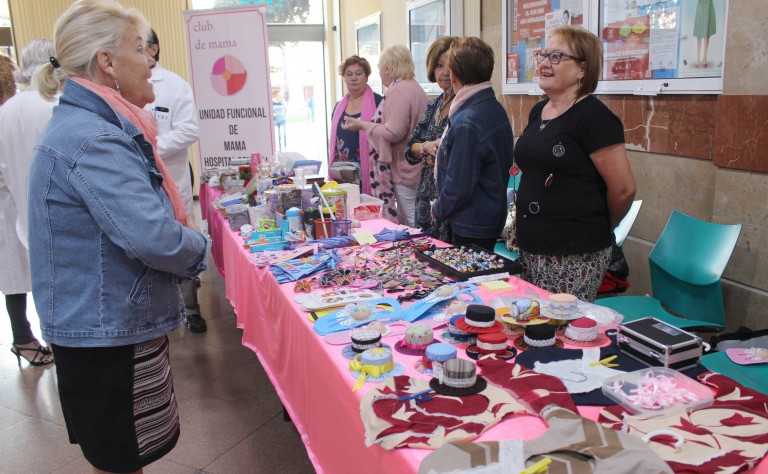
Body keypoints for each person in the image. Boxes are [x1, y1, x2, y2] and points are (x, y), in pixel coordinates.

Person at [27, 1, 209, 472]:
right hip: (106, 333)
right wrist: (207, 248)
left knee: (120, 457)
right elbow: (154, 238)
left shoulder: (93, 125)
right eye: (139, 49)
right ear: (107, 62)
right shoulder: (95, 137)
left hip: (105, 324)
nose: (150, 61)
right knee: (119, 459)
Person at [513, 26, 636, 302]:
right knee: (533, 321)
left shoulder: (594, 117)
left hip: (575, 251)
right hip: (533, 245)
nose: (545, 63)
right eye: (543, 55)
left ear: (582, 69)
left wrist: (601, 223)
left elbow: (624, 189)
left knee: (561, 323)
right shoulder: (539, 110)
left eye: (556, 56)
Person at [144, 28, 207, 333]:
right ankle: (157, 313)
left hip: (171, 178)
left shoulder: (174, 85)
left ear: (154, 48)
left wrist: (150, 149)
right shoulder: (118, 86)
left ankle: (191, 308)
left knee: (181, 243)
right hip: (139, 184)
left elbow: (189, 130)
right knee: (149, 247)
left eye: (140, 45)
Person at [0, 40, 58, 367]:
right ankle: (58, 340)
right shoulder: (54, 105)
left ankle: (29, 336)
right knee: (54, 280)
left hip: (16, 209)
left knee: (24, 278)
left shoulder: (7, 109)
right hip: (53, 211)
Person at [431, 37, 514, 252]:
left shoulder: (467, 121)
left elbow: (459, 186)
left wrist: (438, 209)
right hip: (487, 215)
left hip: (472, 223)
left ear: (454, 74)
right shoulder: (492, 106)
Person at [342, 45, 427, 226]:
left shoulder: (399, 90)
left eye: (380, 68)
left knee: (411, 223)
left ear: (388, 68)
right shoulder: (414, 87)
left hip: (405, 169)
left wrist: (363, 125)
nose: (380, 73)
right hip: (416, 165)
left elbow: (393, 132)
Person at [405, 36, 456, 240]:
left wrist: (429, 153)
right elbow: (409, 149)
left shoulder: (462, 105)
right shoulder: (434, 104)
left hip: (448, 195)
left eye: (450, 66)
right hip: (425, 194)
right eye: (439, 66)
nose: (444, 73)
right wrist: (425, 147)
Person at [328, 55, 382, 194]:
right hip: (343, 174)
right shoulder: (338, 106)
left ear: (367, 76)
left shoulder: (379, 102)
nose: (354, 78)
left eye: (358, 73)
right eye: (349, 74)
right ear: (344, 77)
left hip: (372, 170)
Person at [694, 0, 716, 68]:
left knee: (707, 34)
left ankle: (705, 57)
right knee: (699, 34)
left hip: (708, 4)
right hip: (700, 5)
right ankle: (698, 57)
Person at [272, 87, 287, 151]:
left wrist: (285, 116)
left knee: (284, 134)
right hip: (276, 121)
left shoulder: (282, 101)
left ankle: (285, 147)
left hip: (283, 120)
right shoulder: (272, 102)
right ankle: (279, 148)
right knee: (278, 136)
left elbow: (286, 109)